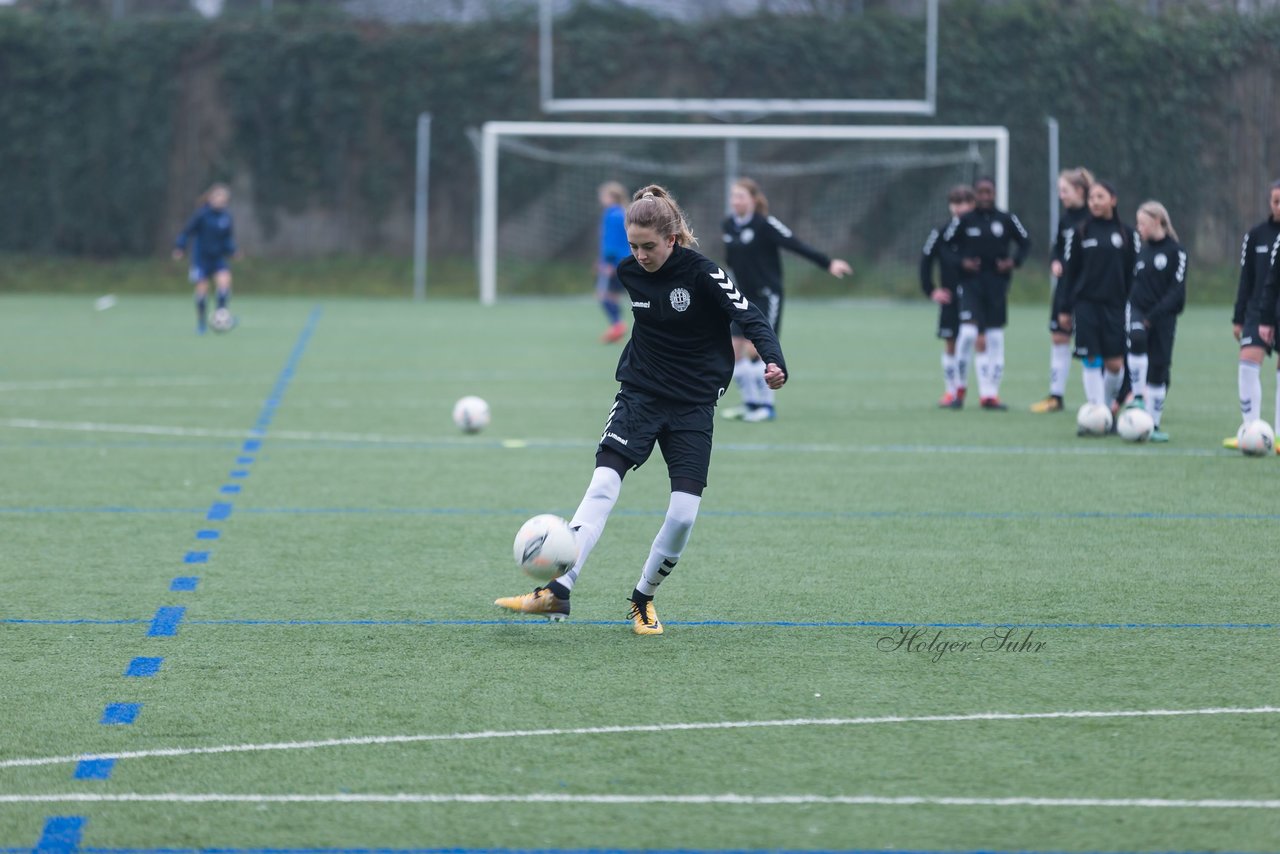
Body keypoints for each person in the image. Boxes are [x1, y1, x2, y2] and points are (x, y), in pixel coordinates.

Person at [495, 185, 787, 636]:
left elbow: (751, 317)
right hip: (640, 394)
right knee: (602, 486)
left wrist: (773, 358)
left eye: (649, 246)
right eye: (634, 246)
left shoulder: (705, 274)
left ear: (672, 239)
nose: (640, 255)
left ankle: (643, 598)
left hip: (692, 405)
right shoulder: (630, 271)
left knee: (684, 515)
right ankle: (557, 589)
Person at [718, 177, 850, 422]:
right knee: (733, 350)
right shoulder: (728, 225)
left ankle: (767, 408)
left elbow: (795, 244)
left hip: (768, 296)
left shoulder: (765, 224)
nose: (735, 201)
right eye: (733, 196)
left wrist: (828, 263)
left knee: (754, 349)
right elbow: (730, 261)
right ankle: (750, 404)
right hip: (742, 297)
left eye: (741, 196)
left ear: (753, 200)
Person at [942, 176, 1030, 410]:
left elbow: (1026, 241)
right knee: (969, 334)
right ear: (975, 195)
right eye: (980, 192)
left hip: (997, 287)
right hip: (970, 285)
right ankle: (959, 389)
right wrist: (962, 262)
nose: (984, 196)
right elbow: (945, 247)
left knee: (995, 339)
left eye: (988, 192)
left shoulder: (1007, 219)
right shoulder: (964, 220)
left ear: (994, 194)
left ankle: (990, 395)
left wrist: (1014, 262)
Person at [1059, 180, 1138, 429]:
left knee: (1115, 363)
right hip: (1086, 305)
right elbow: (1069, 274)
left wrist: (1131, 303)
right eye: (1092, 197)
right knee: (1091, 358)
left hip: (1115, 306)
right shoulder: (1080, 232)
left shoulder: (1127, 234)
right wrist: (1064, 308)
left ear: (1112, 200)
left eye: (1100, 197)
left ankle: (1106, 408)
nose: (1094, 202)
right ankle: (1097, 412)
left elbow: (1132, 273)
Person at [1031, 167, 1094, 413]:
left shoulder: (1092, 217)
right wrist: (1055, 262)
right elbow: (1057, 247)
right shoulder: (1066, 218)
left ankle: (1100, 400)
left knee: (1092, 345)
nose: (1061, 195)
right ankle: (1056, 396)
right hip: (1064, 287)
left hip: (1088, 289)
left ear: (1079, 190)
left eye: (1064, 190)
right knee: (1059, 337)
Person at [1223, 180, 1280, 450]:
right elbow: (1246, 278)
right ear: (1269, 203)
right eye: (1276, 201)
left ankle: (1279, 436)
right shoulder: (1256, 235)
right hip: (1259, 308)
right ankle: (1250, 429)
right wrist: (1239, 316)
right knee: (1247, 362)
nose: (1279, 206)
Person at [1125, 201, 1187, 442]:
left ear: (1157, 221)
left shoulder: (1177, 251)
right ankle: (1138, 395)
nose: (1138, 227)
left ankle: (1153, 424)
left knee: (1159, 368)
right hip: (1138, 310)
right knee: (1137, 337)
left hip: (1163, 316)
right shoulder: (1141, 249)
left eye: (1142, 222)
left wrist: (1155, 315)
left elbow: (1177, 292)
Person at [921, 184, 976, 408]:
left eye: (965, 202)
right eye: (956, 203)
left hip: (974, 294)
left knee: (972, 337)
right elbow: (926, 259)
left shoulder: (978, 230)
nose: (960, 208)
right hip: (950, 296)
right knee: (950, 342)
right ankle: (951, 391)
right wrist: (931, 289)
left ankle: (984, 391)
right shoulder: (941, 232)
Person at [173, 183, 237, 335]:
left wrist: (233, 251)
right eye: (217, 197)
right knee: (202, 289)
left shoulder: (226, 217)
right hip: (201, 259)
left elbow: (227, 238)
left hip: (217, 258)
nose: (220, 200)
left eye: (223, 198)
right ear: (210, 198)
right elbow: (186, 232)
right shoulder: (202, 215)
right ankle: (201, 323)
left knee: (224, 283)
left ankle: (222, 315)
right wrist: (180, 247)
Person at [596, 181, 630, 344]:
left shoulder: (611, 214)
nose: (601, 199)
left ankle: (617, 325)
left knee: (603, 295)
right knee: (614, 296)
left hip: (614, 262)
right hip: (626, 259)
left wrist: (607, 262)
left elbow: (611, 241)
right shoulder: (624, 213)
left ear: (610, 197)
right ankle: (617, 326)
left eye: (603, 195)